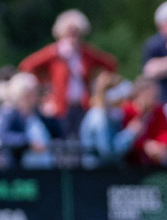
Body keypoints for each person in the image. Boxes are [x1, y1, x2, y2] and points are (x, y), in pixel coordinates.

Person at [18, 9, 118, 139]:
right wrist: (44, 90)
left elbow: (111, 64)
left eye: (75, 33)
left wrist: (98, 83)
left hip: (83, 106)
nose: (73, 36)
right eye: (69, 33)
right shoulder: (54, 52)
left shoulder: (85, 52)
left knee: (82, 142)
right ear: (61, 33)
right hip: (60, 107)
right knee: (62, 143)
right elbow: (27, 66)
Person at [0, 72, 55, 169]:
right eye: (32, 92)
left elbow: (56, 133)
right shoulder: (9, 112)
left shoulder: (39, 113)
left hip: (44, 168)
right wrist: (28, 144)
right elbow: (4, 136)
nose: (36, 95)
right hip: (19, 170)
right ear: (22, 94)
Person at [78, 71, 134, 167]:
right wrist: (130, 133)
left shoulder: (111, 115)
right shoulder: (98, 118)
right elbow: (107, 153)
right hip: (97, 175)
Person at [119, 76, 167, 168]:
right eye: (151, 95)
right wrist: (144, 146)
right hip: (130, 163)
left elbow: (166, 133)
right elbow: (122, 139)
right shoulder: (126, 112)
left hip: (152, 163)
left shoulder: (158, 112)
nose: (154, 98)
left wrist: (161, 147)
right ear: (140, 93)